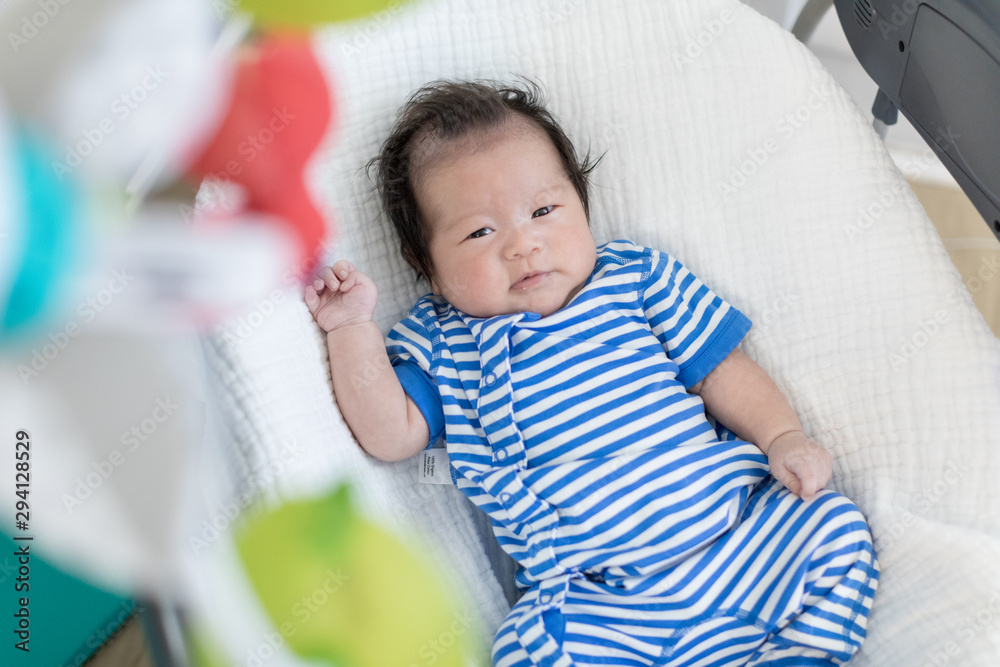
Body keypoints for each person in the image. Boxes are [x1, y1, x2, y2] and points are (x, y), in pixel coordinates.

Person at [304, 78, 879, 666]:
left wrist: (782, 436)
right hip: (604, 601)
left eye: (544, 211)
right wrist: (351, 329)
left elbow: (721, 372)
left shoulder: (635, 278)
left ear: (583, 207)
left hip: (740, 535)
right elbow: (391, 434)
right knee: (527, 650)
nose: (523, 244)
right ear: (426, 266)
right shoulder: (445, 344)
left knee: (833, 526)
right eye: (480, 231)